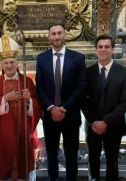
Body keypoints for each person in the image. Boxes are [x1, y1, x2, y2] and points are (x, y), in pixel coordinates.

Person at [0, 35, 42, 181]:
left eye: (12, 62)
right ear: (2, 65)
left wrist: (29, 100)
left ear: (17, 64)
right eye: (6, 63)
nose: (9, 65)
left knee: (23, 163)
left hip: (23, 130)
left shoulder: (26, 81)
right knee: (5, 163)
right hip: (3, 131)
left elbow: (38, 104)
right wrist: (4, 99)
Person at [36, 24, 86, 181]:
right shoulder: (41, 58)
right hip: (50, 115)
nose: (56, 37)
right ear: (49, 37)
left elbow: (81, 85)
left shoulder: (78, 58)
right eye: (53, 34)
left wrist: (63, 108)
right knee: (51, 152)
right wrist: (51, 108)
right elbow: (40, 86)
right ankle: (53, 178)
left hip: (70, 114)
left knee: (71, 152)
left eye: (59, 33)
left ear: (65, 35)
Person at [82, 35, 126, 181]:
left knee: (112, 162)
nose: (103, 50)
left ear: (112, 49)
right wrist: (93, 122)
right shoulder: (87, 73)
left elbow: (125, 102)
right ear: (96, 50)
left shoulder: (124, 72)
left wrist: (106, 122)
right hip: (92, 126)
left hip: (114, 126)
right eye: (100, 47)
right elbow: (83, 101)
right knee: (93, 160)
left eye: (107, 47)